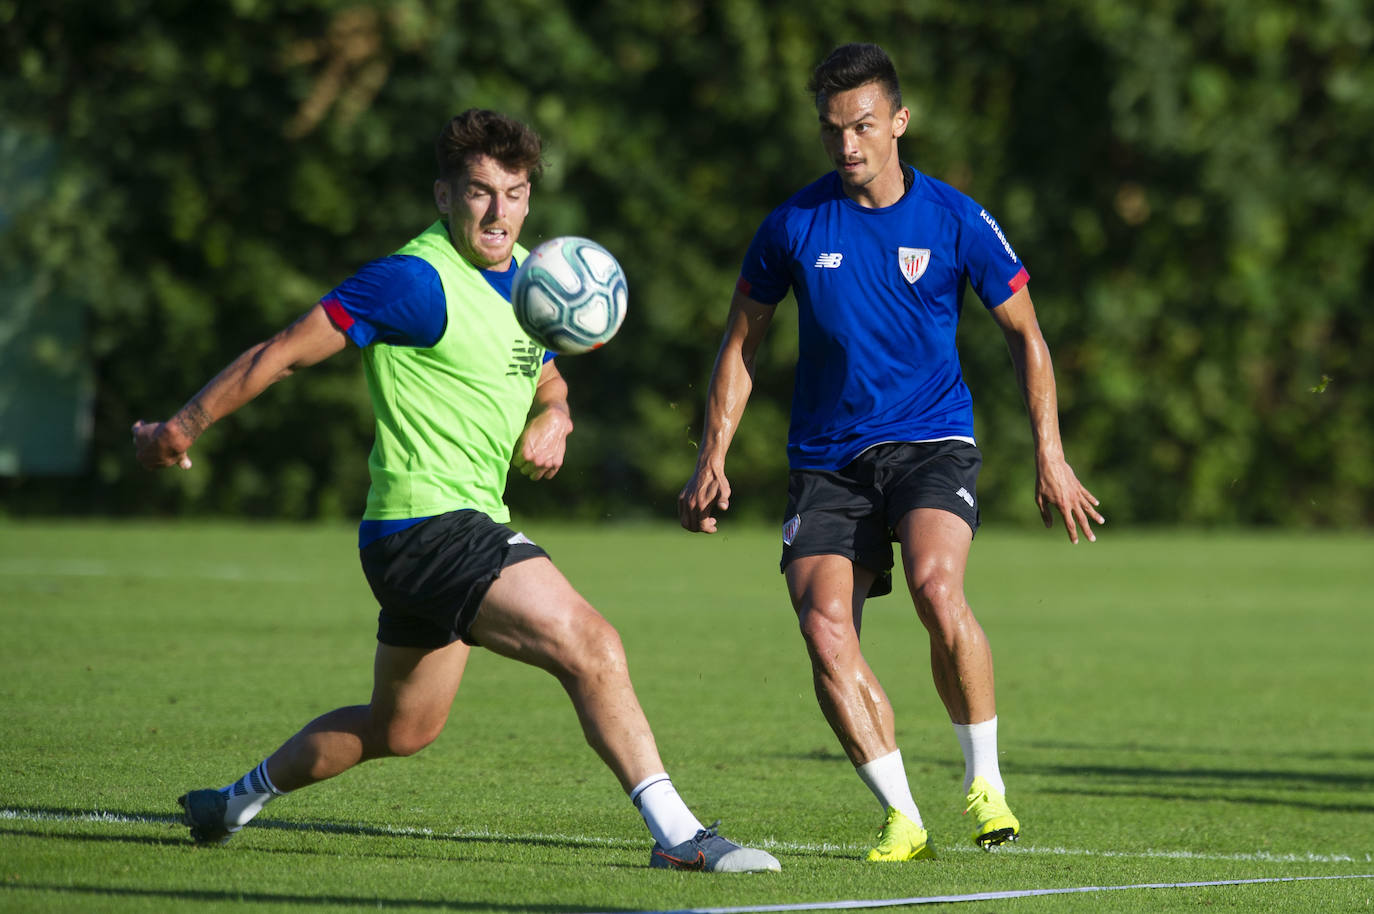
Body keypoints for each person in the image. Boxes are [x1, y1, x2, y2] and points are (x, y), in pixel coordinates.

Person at [133, 108, 779, 873]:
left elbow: (547, 375)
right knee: (592, 645)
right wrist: (183, 425)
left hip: (440, 534)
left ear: (531, 198)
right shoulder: (413, 280)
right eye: (479, 192)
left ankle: (231, 802)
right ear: (445, 197)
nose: (498, 211)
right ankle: (680, 838)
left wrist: (557, 417)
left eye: (514, 192)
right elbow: (283, 353)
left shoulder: (541, 282)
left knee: (401, 728)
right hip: (426, 524)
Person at [678, 44, 1103, 862]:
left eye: (864, 126)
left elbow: (1027, 335)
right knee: (824, 629)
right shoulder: (792, 225)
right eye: (834, 130)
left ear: (899, 122)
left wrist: (1051, 454)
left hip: (930, 442)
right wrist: (713, 456)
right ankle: (903, 817)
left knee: (937, 590)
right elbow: (741, 344)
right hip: (826, 463)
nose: (847, 146)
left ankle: (985, 785)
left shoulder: (954, 218)